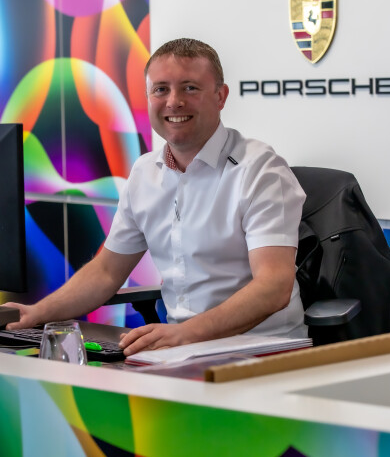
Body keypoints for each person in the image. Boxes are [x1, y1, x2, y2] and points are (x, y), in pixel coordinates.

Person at [6, 38, 306, 356]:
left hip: (265, 350)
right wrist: (37, 313)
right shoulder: (145, 172)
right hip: (180, 350)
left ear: (221, 96)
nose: (174, 102)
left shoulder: (260, 170)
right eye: (161, 89)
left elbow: (273, 286)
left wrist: (185, 334)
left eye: (190, 88)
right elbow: (106, 271)